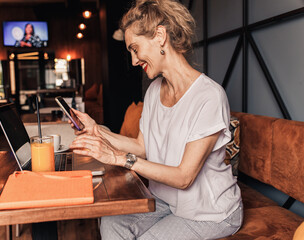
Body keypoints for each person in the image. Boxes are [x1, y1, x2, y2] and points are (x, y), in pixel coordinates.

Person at [69, 0, 243, 239]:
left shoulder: (209, 96)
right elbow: (142, 147)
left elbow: (184, 177)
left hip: (209, 211)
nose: (134, 60)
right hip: (165, 200)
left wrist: (117, 158)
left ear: (160, 36)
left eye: (135, 48)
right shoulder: (153, 91)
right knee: (111, 224)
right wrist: (97, 130)